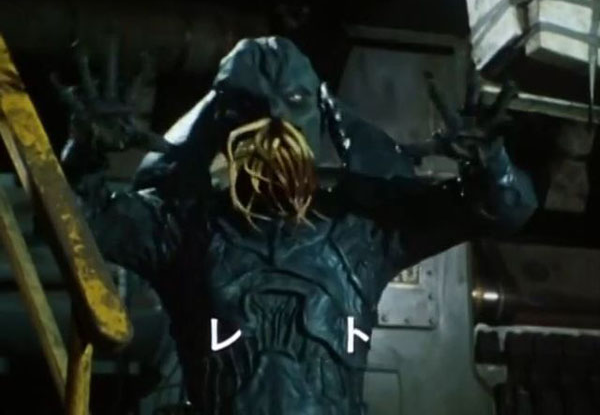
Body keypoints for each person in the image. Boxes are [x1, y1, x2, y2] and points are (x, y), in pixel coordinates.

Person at [57, 36, 537, 415]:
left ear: (316, 113)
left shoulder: (363, 232)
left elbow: (506, 209)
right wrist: (84, 152)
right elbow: (79, 221)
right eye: (249, 106)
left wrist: (490, 163)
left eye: (293, 100)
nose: (274, 120)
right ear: (221, 122)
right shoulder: (183, 231)